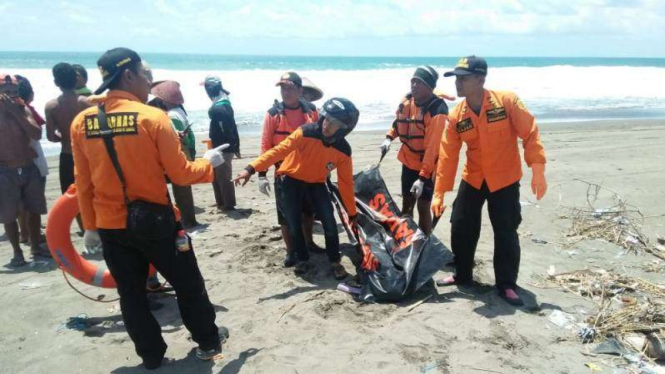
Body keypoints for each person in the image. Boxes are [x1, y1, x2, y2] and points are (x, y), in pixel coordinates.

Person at [70, 48, 230, 369]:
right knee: (187, 284)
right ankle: (207, 342)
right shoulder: (151, 117)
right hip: (156, 222)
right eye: (145, 76)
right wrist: (210, 164)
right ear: (128, 75)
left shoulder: (82, 122)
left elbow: (82, 182)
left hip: (111, 226)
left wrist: (89, 225)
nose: (149, 82)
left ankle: (152, 357)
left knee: (131, 295)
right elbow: (181, 173)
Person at [431, 56, 547, 306]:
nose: (458, 84)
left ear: (480, 79)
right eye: (456, 79)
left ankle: (506, 284)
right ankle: (463, 275)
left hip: (504, 178)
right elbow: (448, 155)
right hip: (473, 177)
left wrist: (537, 167)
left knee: (505, 230)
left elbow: (529, 132)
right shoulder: (456, 115)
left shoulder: (506, 102)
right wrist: (439, 192)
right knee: (461, 225)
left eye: (464, 78)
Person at [235, 97, 359, 279]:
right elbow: (277, 151)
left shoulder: (343, 151)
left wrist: (352, 213)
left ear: (343, 129)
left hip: (316, 182)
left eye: (333, 123)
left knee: (330, 223)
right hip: (291, 179)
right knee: (294, 223)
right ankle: (302, 259)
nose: (326, 124)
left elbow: (346, 184)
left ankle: (334, 261)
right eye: (326, 118)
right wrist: (251, 169)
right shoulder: (305, 132)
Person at [259, 72, 325, 266]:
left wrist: (325, 166)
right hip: (283, 174)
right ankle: (290, 251)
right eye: (282, 88)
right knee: (286, 216)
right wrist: (262, 174)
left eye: (289, 88)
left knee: (307, 212)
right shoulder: (273, 114)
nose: (285, 93)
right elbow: (266, 145)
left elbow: (321, 140)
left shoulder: (312, 111)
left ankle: (309, 242)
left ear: (299, 90)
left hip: (308, 171)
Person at [380, 66, 449, 235]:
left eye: (420, 82)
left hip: (429, 164)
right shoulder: (407, 101)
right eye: (413, 81)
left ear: (430, 87)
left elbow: (433, 149)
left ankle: (424, 241)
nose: (414, 85)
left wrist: (423, 178)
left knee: (423, 205)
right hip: (408, 159)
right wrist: (389, 137)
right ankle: (406, 238)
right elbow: (399, 123)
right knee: (407, 202)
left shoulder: (437, 110)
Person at [0, 74, 49, 266]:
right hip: (5, 170)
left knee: (34, 209)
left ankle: (36, 246)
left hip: (29, 167)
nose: (11, 95)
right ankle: (17, 252)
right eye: (6, 92)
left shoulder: (22, 108)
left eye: (14, 91)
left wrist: (15, 112)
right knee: (9, 214)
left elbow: (36, 133)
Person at [150, 80, 199, 228]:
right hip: (186, 151)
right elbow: (190, 136)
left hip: (180, 152)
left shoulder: (172, 116)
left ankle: (187, 220)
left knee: (181, 188)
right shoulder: (179, 111)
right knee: (183, 188)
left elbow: (177, 139)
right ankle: (189, 218)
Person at [45, 63, 91, 195]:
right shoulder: (86, 103)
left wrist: (65, 136)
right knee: (91, 196)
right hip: (88, 154)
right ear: (76, 79)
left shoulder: (52, 106)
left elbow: (51, 137)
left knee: (70, 198)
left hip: (67, 155)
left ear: (56, 82)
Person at [15, 75, 48, 245]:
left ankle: (24, 232)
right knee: (34, 201)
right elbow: (37, 130)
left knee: (20, 200)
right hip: (33, 159)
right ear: (31, 95)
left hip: (13, 161)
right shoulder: (27, 110)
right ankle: (30, 233)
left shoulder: (8, 111)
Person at [202, 75, 240, 211]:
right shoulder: (222, 101)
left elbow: (227, 129)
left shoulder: (220, 107)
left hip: (223, 146)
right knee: (216, 175)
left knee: (223, 176)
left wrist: (231, 145)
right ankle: (221, 202)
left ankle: (228, 204)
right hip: (220, 145)